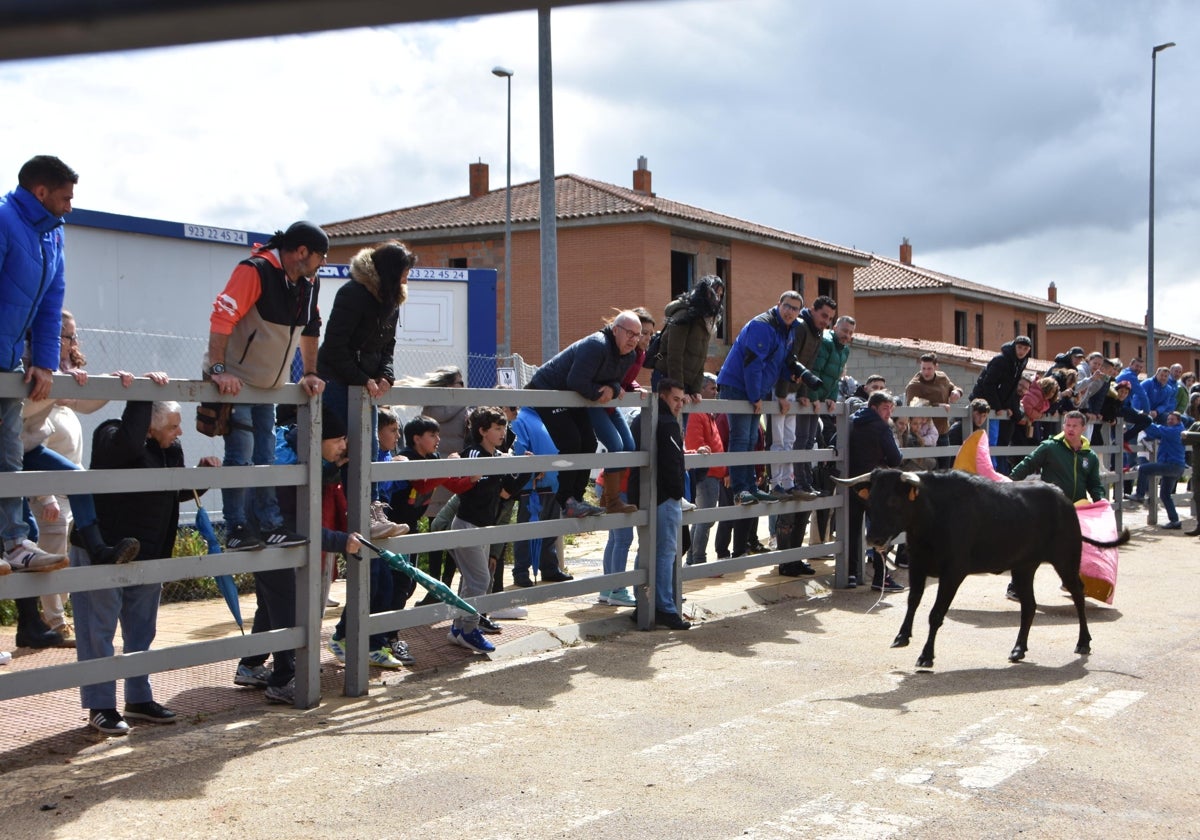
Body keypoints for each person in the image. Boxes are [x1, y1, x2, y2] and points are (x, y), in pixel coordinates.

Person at [76, 399, 221, 735]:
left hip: (148, 553)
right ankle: (100, 706)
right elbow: (126, 447)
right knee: (98, 632)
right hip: (103, 551)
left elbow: (170, 493)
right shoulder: (110, 434)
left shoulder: (171, 448)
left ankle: (138, 698)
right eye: (172, 425)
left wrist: (202, 477)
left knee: (142, 631)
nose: (180, 431)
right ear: (148, 424)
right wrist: (141, 394)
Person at [205, 220, 327, 551]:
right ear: (302, 252)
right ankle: (237, 526)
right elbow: (222, 317)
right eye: (321, 256)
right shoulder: (255, 270)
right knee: (241, 455)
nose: (323, 263)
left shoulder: (307, 283)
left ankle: (270, 524)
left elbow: (311, 328)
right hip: (238, 383)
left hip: (269, 386)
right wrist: (218, 370)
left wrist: (310, 373)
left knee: (266, 456)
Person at [0, 155, 77, 574]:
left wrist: (45, 363)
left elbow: (52, 305)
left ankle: (14, 542)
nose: (70, 206)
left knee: (10, 457)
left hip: (9, 365)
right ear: (41, 192)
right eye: (65, 197)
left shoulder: (53, 236)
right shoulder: (2, 219)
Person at [526, 310, 641, 517]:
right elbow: (576, 381)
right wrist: (603, 392)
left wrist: (613, 389)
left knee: (588, 443)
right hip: (549, 390)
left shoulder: (629, 355)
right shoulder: (596, 345)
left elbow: (614, 382)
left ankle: (577, 499)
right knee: (571, 442)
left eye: (637, 335)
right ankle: (566, 500)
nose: (634, 339)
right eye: (629, 333)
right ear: (615, 330)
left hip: (575, 397)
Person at [317, 240, 415, 460]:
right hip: (336, 380)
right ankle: (337, 495)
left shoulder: (394, 298)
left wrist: (386, 375)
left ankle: (371, 496)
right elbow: (334, 346)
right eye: (404, 273)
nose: (406, 279)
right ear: (391, 272)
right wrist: (362, 378)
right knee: (339, 449)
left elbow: (388, 345)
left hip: (365, 384)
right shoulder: (352, 293)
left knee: (367, 448)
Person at [443, 407, 530, 654]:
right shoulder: (474, 453)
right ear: (482, 431)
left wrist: (525, 468)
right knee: (480, 580)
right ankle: (470, 631)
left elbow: (505, 492)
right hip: (467, 525)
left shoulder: (495, 455)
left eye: (504, 427)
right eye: (497, 428)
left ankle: (459, 630)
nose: (503, 432)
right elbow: (472, 488)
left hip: (482, 527)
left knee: (474, 582)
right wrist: (496, 466)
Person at [717, 290, 810, 507]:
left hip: (751, 388)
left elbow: (776, 363)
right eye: (786, 306)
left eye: (794, 308)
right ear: (778, 304)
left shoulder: (788, 330)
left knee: (750, 439)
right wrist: (756, 395)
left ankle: (750, 488)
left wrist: (792, 375)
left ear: (799, 312)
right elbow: (753, 364)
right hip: (738, 386)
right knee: (741, 438)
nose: (789, 311)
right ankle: (740, 491)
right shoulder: (763, 325)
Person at [628, 378, 692, 630]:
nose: (679, 404)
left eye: (682, 399)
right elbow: (671, 463)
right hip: (664, 496)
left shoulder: (641, 418)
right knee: (665, 552)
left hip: (644, 493)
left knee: (646, 550)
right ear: (663, 396)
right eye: (675, 399)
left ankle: (642, 603)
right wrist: (677, 493)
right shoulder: (667, 424)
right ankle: (664, 607)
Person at [402, 365, 468, 599]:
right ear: (450, 385)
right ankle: (446, 586)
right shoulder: (463, 409)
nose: (463, 387)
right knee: (449, 534)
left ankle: (432, 589)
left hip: (432, 477)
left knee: (433, 535)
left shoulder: (428, 408)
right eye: (460, 383)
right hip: (451, 474)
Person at [846, 391, 904, 591]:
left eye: (890, 408)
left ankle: (850, 573)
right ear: (873, 408)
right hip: (875, 487)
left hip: (853, 483)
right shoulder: (881, 427)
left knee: (852, 529)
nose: (888, 412)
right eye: (885, 408)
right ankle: (881, 578)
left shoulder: (850, 422)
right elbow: (896, 458)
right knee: (881, 529)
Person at [652, 275, 724, 400]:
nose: (717, 299)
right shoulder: (684, 314)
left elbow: (700, 361)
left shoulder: (706, 322)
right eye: (714, 293)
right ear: (705, 292)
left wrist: (696, 391)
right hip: (667, 379)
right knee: (665, 419)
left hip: (686, 384)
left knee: (683, 420)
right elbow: (674, 356)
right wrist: (679, 389)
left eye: (720, 295)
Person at [970, 336, 1032, 474]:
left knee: (997, 442)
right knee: (989, 442)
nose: (1022, 351)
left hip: (998, 407)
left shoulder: (1020, 363)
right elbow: (988, 384)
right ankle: (987, 472)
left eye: (1025, 349)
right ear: (1014, 346)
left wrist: (1007, 407)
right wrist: (998, 407)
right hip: (985, 405)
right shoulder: (1001, 360)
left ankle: (994, 471)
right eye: (1019, 347)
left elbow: (1010, 389)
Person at [684, 373, 726, 568]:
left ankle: (694, 558)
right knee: (705, 519)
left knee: (704, 519)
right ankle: (698, 559)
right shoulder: (697, 413)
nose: (716, 392)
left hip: (713, 473)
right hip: (706, 474)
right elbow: (695, 442)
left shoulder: (708, 412)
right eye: (712, 389)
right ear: (701, 390)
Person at [1126, 411, 1188, 529]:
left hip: (1171, 466)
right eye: (1168, 419)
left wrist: (1145, 420)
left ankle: (1139, 494)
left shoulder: (1174, 431)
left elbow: (1156, 430)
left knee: (1144, 469)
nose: (1169, 421)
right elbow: (1156, 433)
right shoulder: (1176, 431)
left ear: (1179, 421)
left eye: (1172, 419)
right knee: (1165, 495)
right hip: (1176, 467)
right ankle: (1174, 521)